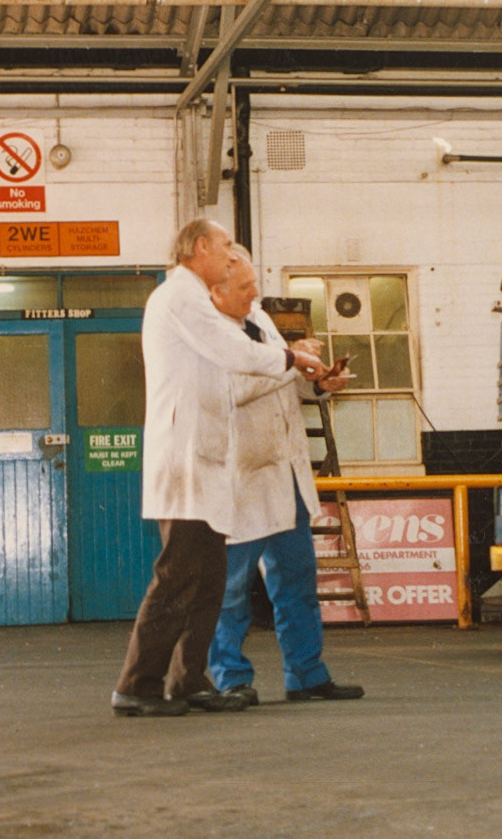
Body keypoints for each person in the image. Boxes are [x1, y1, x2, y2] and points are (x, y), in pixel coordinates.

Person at [113, 220, 327, 718]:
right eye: (227, 247)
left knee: (208, 579)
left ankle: (188, 681)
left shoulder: (193, 297)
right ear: (201, 247)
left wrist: (289, 361)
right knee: (177, 575)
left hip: (209, 459)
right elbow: (232, 354)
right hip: (187, 457)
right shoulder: (180, 296)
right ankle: (137, 685)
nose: (232, 257)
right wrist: (293, 357)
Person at [206, 251, 365, 705]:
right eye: (245, 287)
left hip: (286, 474)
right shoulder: (211, 333)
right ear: (216, 290)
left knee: (297, 580)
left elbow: (281, 377)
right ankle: (231, 679)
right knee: (231, 588)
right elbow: (234, 389)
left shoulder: (258, 320)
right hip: (241, 477)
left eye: (255, 283)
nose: (256, 293)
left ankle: (307, 675)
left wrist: (317, 383)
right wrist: (290, 361)